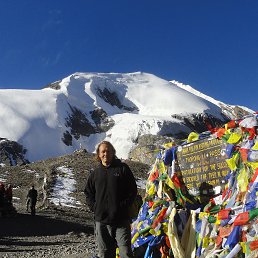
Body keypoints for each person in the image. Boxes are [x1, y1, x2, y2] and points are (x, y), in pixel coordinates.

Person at [84, 141, 137, 258]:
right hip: (101, 222)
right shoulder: (95, 173)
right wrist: (95, 207)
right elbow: (88, 192)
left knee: (126, 253)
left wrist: (122, 206)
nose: (105, 153)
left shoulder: (123, 169)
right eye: (103, 151)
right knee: (105, 254)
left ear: (113, 152)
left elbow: (132, 191)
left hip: (121, 220)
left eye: (108, 151)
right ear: (98, 154)